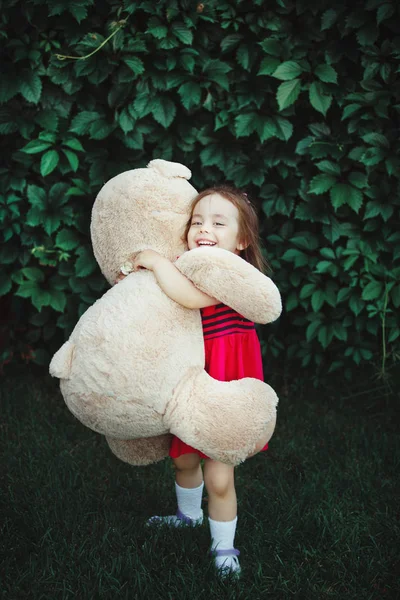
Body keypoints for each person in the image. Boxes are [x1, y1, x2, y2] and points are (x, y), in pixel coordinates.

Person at [116, 185, 275, 577]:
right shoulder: (188, 265)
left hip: (226, 389)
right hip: (194, 381)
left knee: (219, 475)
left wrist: (154, 261)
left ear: (241, 241)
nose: (204, 228)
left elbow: (188, 297)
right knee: (184, 458)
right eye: (197, 221)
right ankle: (188, 517)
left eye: (219, 223)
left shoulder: (234, 275)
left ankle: (224, 551)